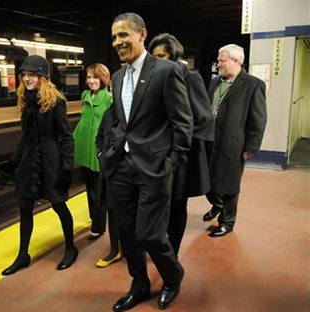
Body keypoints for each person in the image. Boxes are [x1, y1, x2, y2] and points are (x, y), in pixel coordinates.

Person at [101, 13, 193, 311]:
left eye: (124, 35)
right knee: (128, 235)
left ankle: (173, 276)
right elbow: (118, 122)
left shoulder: (165, 71)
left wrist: (172, 163)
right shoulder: (116, 77)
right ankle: (139, 284)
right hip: (121, 168)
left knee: (149, 234)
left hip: (154, 168)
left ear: (142, 34)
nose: (118, 42)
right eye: (114, 37)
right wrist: (107, 152)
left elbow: (183, 122)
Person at [1, 55, 78, 275]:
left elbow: (66, 136)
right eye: (24, 74)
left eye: (32, 74)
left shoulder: (55, 101)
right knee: (24, 207)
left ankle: (71, 248)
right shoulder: (26, 101)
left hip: (50, 161)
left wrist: (66, 167)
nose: (26, 78)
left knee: (58, 204)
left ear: (42, 76)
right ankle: (23, 255)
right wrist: (14, 160)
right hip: (29, 160)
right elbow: (26, 137)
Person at [148, 33, 214, 255]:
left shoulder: (190, 77)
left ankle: (173, 251)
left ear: (175, 56)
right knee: (158, 202)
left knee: (177, 203)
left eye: (162, 56)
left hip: (181, 154)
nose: (158, 61)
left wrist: (177, 139)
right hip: (156, 151)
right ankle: (160, 243)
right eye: (154, 56)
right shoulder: (154, 78)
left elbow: (203, 117)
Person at [203, 44, 267, 237]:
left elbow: (259, 119)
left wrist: (251, 147)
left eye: (221, 60)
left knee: (229, 184)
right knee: (207, 182)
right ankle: (217, 204)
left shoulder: (253, 85)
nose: (218, 64)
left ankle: (227, 222)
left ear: (236, 61)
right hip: (209, 141)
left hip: (233, 144)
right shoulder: (214, 82)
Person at [73, 64, 112, 240]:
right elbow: (83, 120)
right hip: (83, 148)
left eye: (95, 77)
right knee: (89, 188)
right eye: (88, 77)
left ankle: (98, 225)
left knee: (99, 190)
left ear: (103, 78)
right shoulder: (85, 95)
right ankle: (94, 219)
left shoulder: (108, 98)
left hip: (98, 150)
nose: (91, 81)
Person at [95, 105, 122, 268]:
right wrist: (100, 155)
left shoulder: (133, 110)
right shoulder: (108, 113)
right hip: (109, 170)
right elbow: (99, 137)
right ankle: (114, 250)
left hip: (127, 169)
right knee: (111, 210)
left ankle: (133, 246)